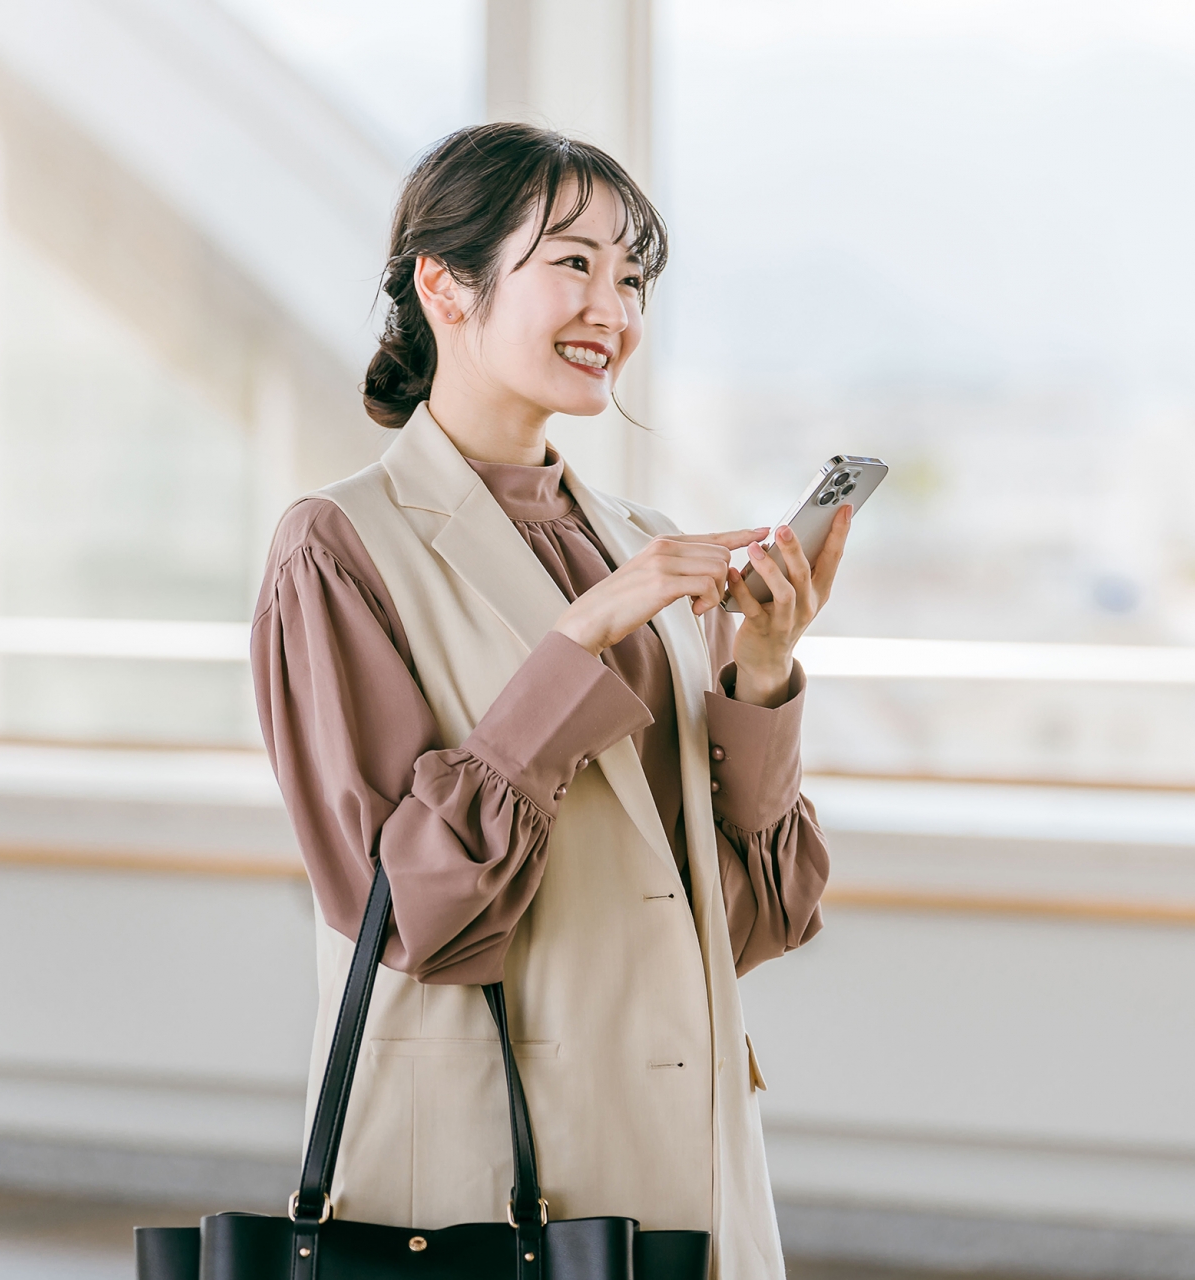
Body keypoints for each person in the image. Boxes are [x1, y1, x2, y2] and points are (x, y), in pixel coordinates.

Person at [250, 122, 847, 1278]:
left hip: (696, 1159)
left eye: (631, 276)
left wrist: (761, 671)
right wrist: (578, 637)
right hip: (492, 1169)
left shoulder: (646, 544)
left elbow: (753, 916)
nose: (612, 307)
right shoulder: (337, 546)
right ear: (445, 284)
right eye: (571, 262)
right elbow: (407, 911)